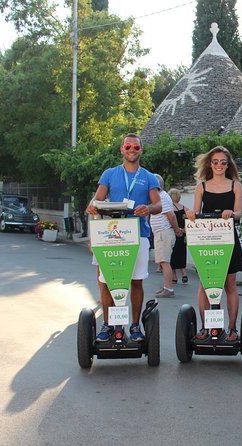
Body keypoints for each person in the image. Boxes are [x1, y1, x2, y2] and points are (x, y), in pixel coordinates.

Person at [86, 133, 162, 343]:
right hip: (110, 234)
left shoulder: (148, 177)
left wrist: (148, 207)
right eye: (128, 146)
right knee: (107, 282)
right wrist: (92, 207)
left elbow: (159, 206)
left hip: (138, 234)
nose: (132, 150)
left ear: (141, 150)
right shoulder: (109, 174)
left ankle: (135, 325)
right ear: (121, 149)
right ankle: (108, 325)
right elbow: (97, 201)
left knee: (136, 282)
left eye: (136, 147)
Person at [187, 146, 242, 342]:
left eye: (223, 162)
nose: (219, 165)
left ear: (228, 165)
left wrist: (231, 214)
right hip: (207, 240)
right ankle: (206, 326)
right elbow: (195, 213)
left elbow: (239, 214)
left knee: (230, 285)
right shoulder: (201, 186)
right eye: (215, 162)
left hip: (228, 239)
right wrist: (191, 215)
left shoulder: (235, 185)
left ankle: (232, 328)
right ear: (209, 164)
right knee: (205, 284)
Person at [150, 174, 183, 297]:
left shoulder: (162, 197)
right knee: (163, 261)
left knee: (164, 262)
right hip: (161, 232)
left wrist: (176, 229)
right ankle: (166, 286)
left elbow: (171, 215)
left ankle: (168, 288)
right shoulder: (160, 197)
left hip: (164, 232)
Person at [169, 188, 190, 285]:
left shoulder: (169, 208)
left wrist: (176, 229)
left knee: (173, 254)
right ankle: (184, 273)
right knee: (182, 252)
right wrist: (184, 229)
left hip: (173, 233)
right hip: (183, 234)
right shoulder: (184, 208)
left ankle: (174, 276)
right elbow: (190, 219)